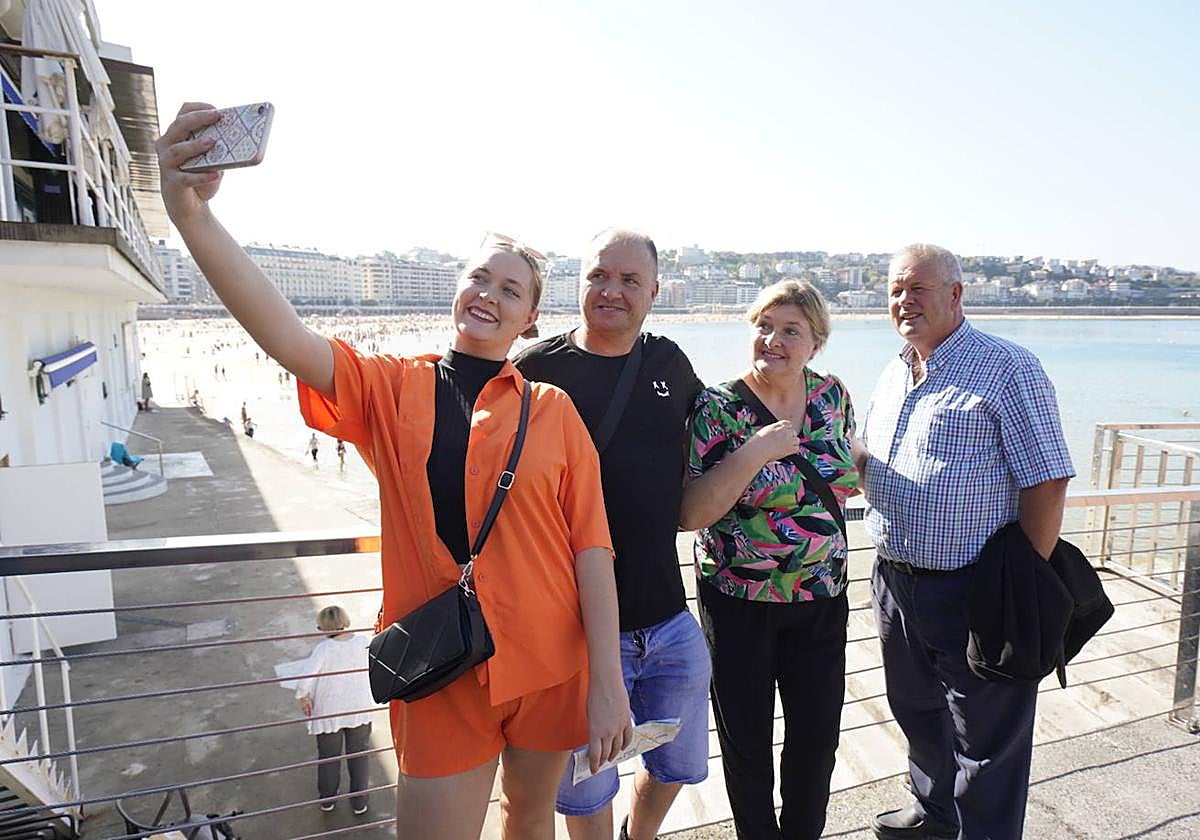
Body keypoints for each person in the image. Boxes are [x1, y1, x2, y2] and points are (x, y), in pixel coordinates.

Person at [156, 103, 631, 840]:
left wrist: (607, 684)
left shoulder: (554, 409)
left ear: (530, 321)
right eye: (480, 277)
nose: (489, 294)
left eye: (511, 290)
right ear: (458, 287)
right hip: (439, 666)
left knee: (531, 821)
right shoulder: (394, 388)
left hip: (551, 662)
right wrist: (192, 217)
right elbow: (287, 337)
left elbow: (591, 549)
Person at [858, 244, 1073, 840]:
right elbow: (868, 459)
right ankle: (934, 813)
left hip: (977, 587)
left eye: (918, 288)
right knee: (917, 710)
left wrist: (1023, 582)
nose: (904, 301)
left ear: (956, 294)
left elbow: (1048, 479)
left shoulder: (1008, 367)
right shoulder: (894, 370)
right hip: (895, 579)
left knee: (988, 740)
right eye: (895, 290)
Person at [515, 229, 710, 840]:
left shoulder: (669, 362)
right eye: (599, 276)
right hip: (571, 634)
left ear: (654, 291)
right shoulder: (534, 370)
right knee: (585, 791)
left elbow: (725, 427)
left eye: (629, 280)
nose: (611, 291)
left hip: (670, 621)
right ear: (580, 284)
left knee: (679, 766)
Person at [680, 280, 859, 840]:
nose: (773, 339)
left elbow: (848, 464)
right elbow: (692, 513)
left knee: (816, 739)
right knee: (746, 741)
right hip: (739, 600)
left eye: (790, 330)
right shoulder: (718, 406)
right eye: (764, 325)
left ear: (816, 343)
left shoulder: (831, 395)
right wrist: (758, 449)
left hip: (822, 597)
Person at [296, 605, 375, 815]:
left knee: (329, 756)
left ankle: (328, 799)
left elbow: (305, 680)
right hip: (359, 707)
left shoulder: (323, 649)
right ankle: (359, 802)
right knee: (359, 755)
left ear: (324, 627)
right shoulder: (364, 641)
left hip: (329, 710)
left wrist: (304, 697)